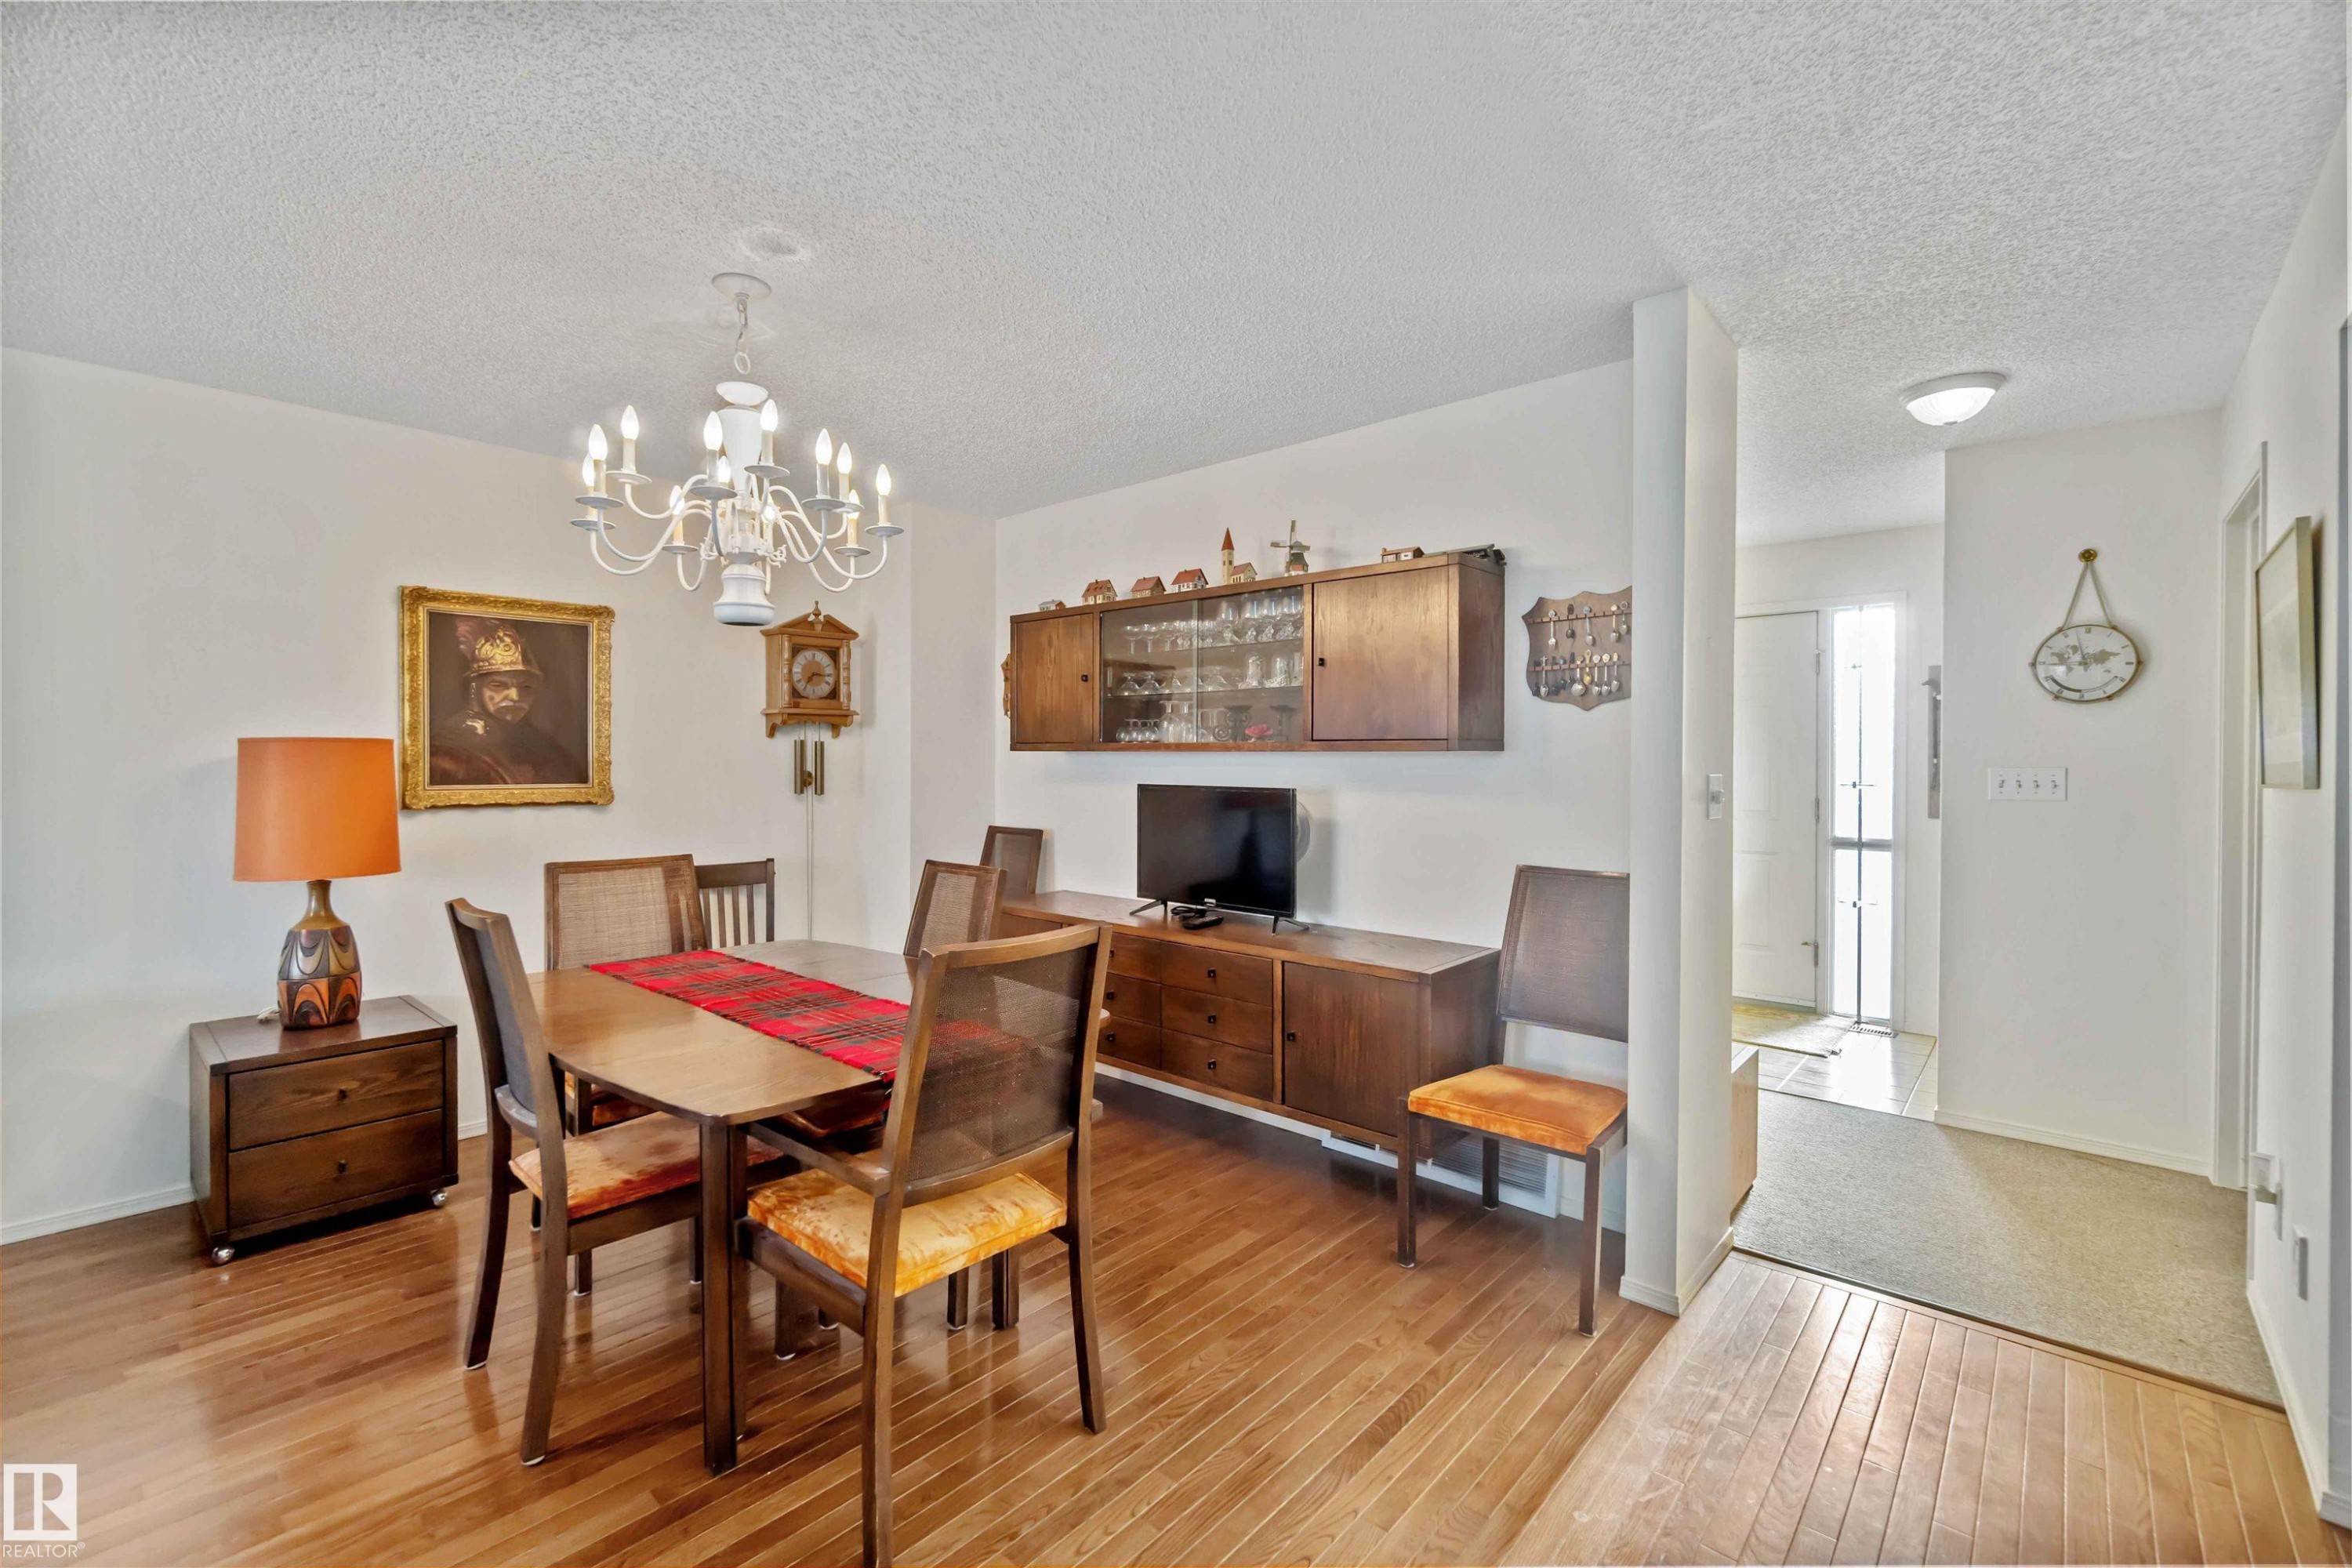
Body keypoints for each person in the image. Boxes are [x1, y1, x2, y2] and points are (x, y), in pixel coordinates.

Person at [429, 617, 586, 786]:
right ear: (475, 688)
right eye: (498, 685)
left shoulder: (549, 749)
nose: (515, 697)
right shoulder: (445, 754)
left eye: (526, 687)